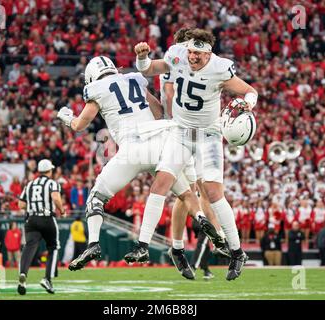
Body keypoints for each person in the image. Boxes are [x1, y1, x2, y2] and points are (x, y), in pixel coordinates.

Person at [57, 56, 225, 280]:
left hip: (131, 149)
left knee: (96, 198)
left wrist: (66, 117)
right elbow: (157, 110)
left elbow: (80, 125)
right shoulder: (134, 79)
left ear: (91, 76)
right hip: (161, 141)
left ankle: (94, 244)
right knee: (185, 193)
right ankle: (201, 218)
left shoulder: (96, 88)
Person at [132, 27, 258, 280]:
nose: (193, 58)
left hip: (208, 135)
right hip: (181, 131)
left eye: (198, 55)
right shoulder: (177, 54)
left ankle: (236, 252)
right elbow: (148, 69)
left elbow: (250, 91)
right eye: (191, 52)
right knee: (161, 184)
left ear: (209, 54)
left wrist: (249, 103)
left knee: (213, 193)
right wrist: (142, 57)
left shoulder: (220, 68)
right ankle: (142, 245)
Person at [17, 159, 65, 295]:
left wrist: (34, 204)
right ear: (50, 171)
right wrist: (62, 210)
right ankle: (47, 279)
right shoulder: (51, 183)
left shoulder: (30, 184)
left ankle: (23, 274)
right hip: (47, 218)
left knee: (29, 247)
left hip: (31, 219)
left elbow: (20, 205)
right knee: (53, 247)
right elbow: (56, 198)